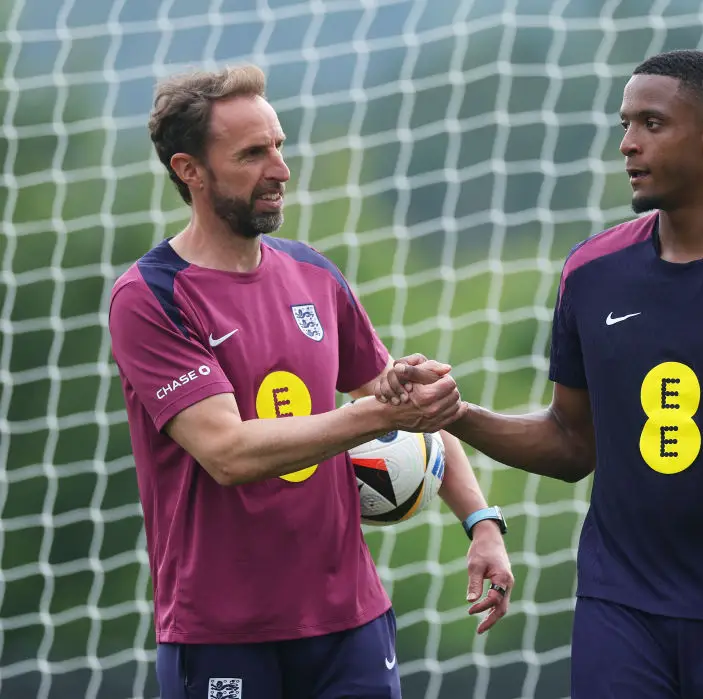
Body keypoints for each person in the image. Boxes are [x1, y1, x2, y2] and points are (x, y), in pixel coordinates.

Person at [377, 49, 703, 699]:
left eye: (652, 124)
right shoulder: (591, 271)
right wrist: (455, 413)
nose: (628, 144)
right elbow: (573, 443)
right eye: (625, 123)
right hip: (618, 601)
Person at [107, 64, 514, 699]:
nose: (280, 169)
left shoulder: (312, 273)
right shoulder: (151, 297)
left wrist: (481, 522)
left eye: (279, 146)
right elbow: (228, 453)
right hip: (222, 630)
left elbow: (401, 400)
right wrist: (378, 416)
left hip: (350, 621)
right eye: (252, 153)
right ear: (190, 171)